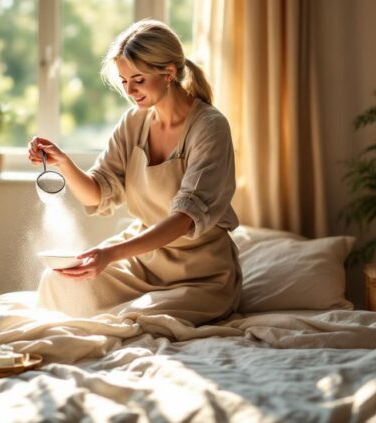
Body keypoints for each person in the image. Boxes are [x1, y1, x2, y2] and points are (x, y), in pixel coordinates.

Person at [27, 19, 241, 325]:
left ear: (168, 73)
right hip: (142, 265)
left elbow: (184, 219)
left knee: (133, 318)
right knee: (57, 281)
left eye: (138, 80)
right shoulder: (133, 123)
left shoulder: (209, 127)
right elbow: (99, 191)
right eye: (124, 81)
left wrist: (111, 254)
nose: (129, 91)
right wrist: (63, 162)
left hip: (200, 276)